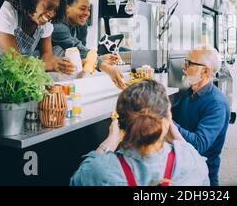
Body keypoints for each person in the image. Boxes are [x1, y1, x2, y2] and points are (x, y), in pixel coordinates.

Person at [70, 79, 210, 186]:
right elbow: (192, 156)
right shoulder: (190, 162)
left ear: (121, 124)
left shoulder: (100, 171)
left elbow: (77, 180)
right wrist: (170, 129)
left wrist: (112, 139)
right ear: (167, 120)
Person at [171, 45, 230, 186]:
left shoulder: (217, 104)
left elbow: (199, 144)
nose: (183, 67)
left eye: (189, 64)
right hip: (183, 171)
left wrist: (165, 121)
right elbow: (174, 115)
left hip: (203, 177)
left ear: (205, 71)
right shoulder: (190, 91)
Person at [0, 0, 75, 75]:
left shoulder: (45, 26)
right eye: (48, 6)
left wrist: (55, 63)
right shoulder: (8, 13)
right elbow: (13, 59)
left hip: (20, 75)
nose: (52, 14)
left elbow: (47, 55)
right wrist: (45, 65)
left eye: (55, 10)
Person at [52, 0, 127, 89]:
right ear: (67, 8)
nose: (87, 13)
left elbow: (81, 56)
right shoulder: (57, 27)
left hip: (67, 77)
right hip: (51, 78)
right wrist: (105, 67)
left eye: (88, 9)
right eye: (82, 9)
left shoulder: (81, 26)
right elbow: (77, 49)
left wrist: (101, 57)